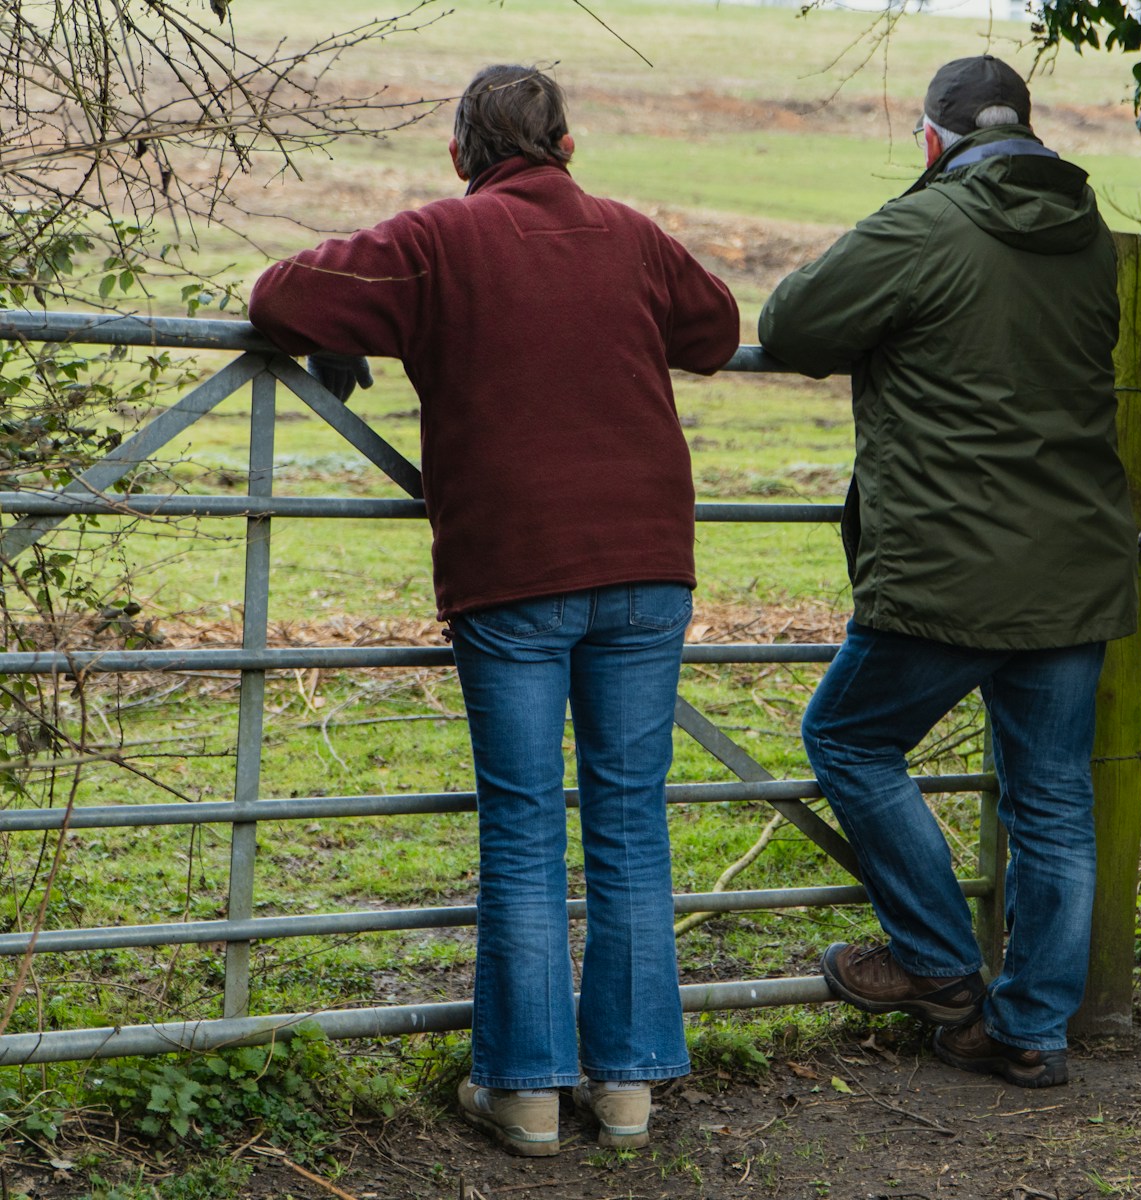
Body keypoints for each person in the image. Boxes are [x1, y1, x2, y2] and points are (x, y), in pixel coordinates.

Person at [249, 65, 739, 1154]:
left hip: (512, 566)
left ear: (464, 153)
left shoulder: (435, 239)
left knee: (522, 829)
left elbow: (279, 294)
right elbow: (712, 330)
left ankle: (523, 1093)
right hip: (647, 563)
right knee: (628, 821)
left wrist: (353, 331)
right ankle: (625, 1091)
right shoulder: (630, 233)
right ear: (565, 144)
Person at [757, 55, 1137, 1088]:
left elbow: (789, 327)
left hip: (946, 567)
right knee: (1053, 799)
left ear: (933, 140)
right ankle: (1028, 1031)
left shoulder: (924, 223)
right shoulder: (1087, 235)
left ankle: (933, 965)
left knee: (846, 735)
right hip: (1071, 564)